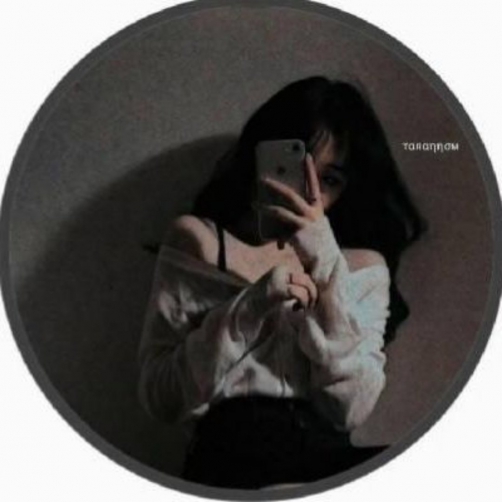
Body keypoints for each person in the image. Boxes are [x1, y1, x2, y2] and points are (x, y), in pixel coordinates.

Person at [137, 76, 428, 489]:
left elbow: (351, 409)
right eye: (295, 168)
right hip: (232, 453)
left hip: (326, 456)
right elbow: (161, 398)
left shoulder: (362, 265)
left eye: (330, 179)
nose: (309, 192)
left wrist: (323, 260)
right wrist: (248, 309)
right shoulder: (201, 241)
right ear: (261, 160)